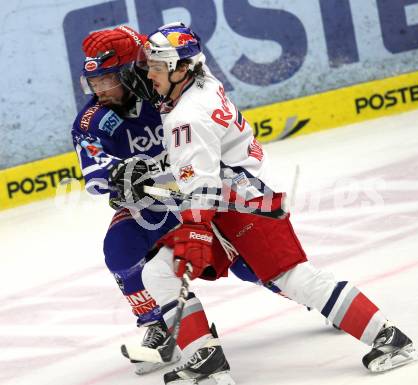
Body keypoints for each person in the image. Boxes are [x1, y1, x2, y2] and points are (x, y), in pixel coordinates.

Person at [115, 22, 418, 384]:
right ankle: (207, 362)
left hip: (241, 206)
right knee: (159, 271)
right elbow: (202, 166)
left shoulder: (186, 117)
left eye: (156, 66)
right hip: (234, 198)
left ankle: (390, 339)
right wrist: (156, 182)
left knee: (294, 278)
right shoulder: (202, 82)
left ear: (182, 69)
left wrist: (192, 225)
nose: (149, 74)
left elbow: (200, 182)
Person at [72, 25, 293, 377]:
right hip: (151, 204)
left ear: (131, 71)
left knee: (245, 263)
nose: (99, 90)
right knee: (120, 248)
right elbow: (95, 176)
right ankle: (158, 323)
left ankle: (302, 290)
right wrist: (116, 176)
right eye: (92, 82)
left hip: (198, 197)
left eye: (107, 80)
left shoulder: (170, 94)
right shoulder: (91, 121)